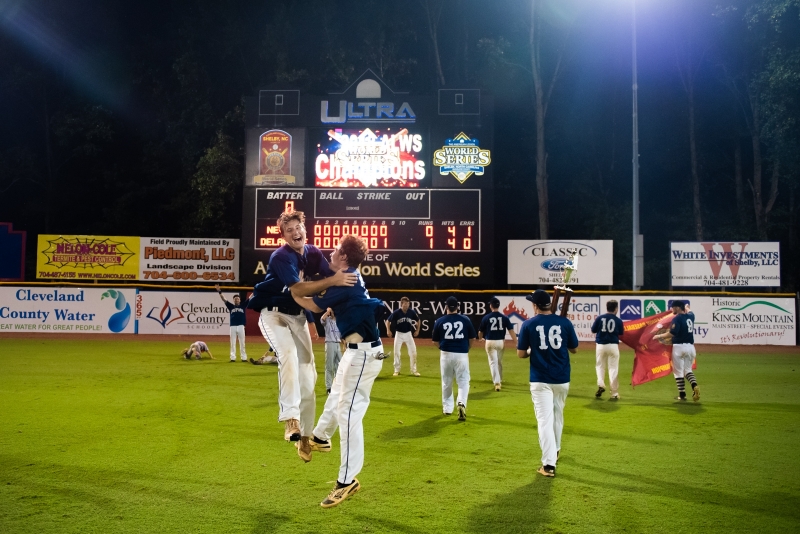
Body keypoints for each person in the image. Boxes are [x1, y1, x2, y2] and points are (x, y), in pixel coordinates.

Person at [292, 235, 388, 508]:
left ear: (344, 257)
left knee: (349, 414)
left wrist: (292, 289)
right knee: (336, 395)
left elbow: (310, 303)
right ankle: (321, 437)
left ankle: (347, 480)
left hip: (364, 355)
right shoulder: (348, 276)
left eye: (336, 250)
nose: (331, 253)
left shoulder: (345, 279)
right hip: (357, 352)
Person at [246, 210, 357, 443]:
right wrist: (333, 281)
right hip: (273, 315)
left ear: (305, 229)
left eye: (298, 227)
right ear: (284, 236)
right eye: (289, 230)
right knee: (287, 354)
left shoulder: (313, 252)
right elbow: (297, 289)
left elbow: (332, 277)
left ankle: (305, 436)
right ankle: (290, 420)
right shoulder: (280, 256)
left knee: (308, 376)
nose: (295, 232)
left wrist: (349, 277)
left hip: (297, 317)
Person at [517, 289, 578, 478]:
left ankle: (549, 464)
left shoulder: (528, 324)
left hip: (540, 378)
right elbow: (574, 349)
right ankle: (556, 450)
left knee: (544, 421)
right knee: (557, 416)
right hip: (561, 378)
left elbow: (521, 354)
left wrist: (531, 351)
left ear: (535, 305)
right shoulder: (564, 322)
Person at [432, 296, 477, 421]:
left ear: (446, 307)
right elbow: (472, 338)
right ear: (457, 306)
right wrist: (467, 348)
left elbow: (435, 341)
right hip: (461, 354)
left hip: (446, 354)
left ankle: (447, 408)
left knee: (447, 381)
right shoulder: (465, 319)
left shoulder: (440, 321)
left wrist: (442, 348)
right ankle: (461, 403)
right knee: (463, 381)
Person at [654, 301, 700, 402]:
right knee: (688, 370)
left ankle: (682, 395)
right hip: (691, 348)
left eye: (673, 307)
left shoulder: (677, 319)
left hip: (679, 347)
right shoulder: (691, 316)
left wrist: (658, 336)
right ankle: (694, 385)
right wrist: (687, 307)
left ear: (678, 308)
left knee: (678, 372)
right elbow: (689, 310)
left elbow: (672, 333)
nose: (672, 309)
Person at [477, 297, 518, 391]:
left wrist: (480, 338)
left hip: (490, 342)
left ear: (491, 306)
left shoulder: (486, 317)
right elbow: (511, 331)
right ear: (498, 306)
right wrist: (517, 343)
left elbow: (480, 331)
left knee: (493, 363)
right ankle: (500, 379)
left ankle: (497, 383)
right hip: (501, 342)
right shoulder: (504, 317)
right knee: (499, 361)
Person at [590, 300, 624, 400]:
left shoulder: (600, 318)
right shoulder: (618, 320)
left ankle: (601, 384)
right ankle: (614, 393)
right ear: (616, 308)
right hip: (613, 345)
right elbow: (621, 333)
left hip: (600, 346)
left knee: (600, 366)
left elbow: (593, 330)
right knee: (613, 369)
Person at [385, 296, 421, 377]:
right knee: (397, 352)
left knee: (413, 352)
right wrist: (388, 330)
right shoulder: (397, 312)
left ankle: (414, 370)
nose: (406, 305)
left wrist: (418, 330)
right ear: (401, 304)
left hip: (408, 334)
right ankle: (396, 370)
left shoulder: (411, 312)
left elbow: (418, 320)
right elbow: (388, 321)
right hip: (399, 334)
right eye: (405, 304)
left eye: (407, 304)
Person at [215, 284, 251, 362]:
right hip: (233, 326)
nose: (236, 300)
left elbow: (250, 298)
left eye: (237, 299)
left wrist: (256, 290)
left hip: (241, 326)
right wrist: (219, 291)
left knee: (242, 343)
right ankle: (232, 358)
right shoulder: (231, 306)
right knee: (232, 343)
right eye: (235, 299)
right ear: (233, 300)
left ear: (240, 300)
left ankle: (244, 358)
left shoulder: (243, 306)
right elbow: (223, 299)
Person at [320, 307, 343, 394]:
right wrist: (327, 312)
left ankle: (337, 385)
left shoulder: (338, 321)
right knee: (329, 366)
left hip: (337, 344)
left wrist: (344, 344)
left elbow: (340, 334)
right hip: (329, 343)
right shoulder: (327, 320)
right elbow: (322, 319)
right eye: (333, 311)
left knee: (339, 365)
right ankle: (329, 387)